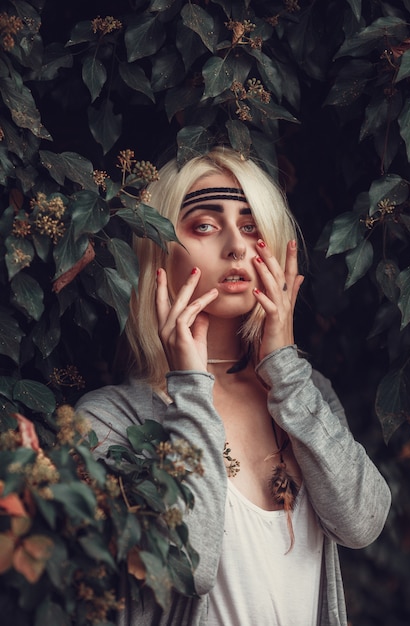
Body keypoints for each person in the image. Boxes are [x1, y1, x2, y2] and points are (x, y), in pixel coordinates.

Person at [76, 145, 391, 626]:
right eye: (204, 225)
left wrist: (285, 368)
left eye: (250, 226)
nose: (237, 247)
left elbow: (362, 523)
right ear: (158, 249)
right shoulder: (109, 420)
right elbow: (189, 567)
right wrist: (190, 386)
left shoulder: (307, 392)